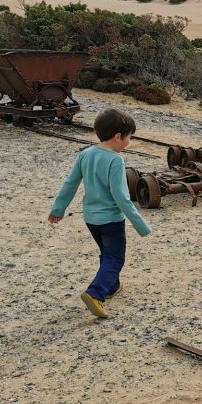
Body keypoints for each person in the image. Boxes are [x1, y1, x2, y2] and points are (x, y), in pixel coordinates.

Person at [48, 107, 151, 318]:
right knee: (115, 257)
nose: (129, 142)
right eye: (129, 137)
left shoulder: (86, 154)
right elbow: (121, 197)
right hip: (111, 220)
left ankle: (112, 286)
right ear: (118, 137)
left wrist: (58, 209)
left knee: (107, 252)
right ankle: (95, 293)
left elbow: (70, 184)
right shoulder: (115, 160)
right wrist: (140, 224)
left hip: (91, 219)